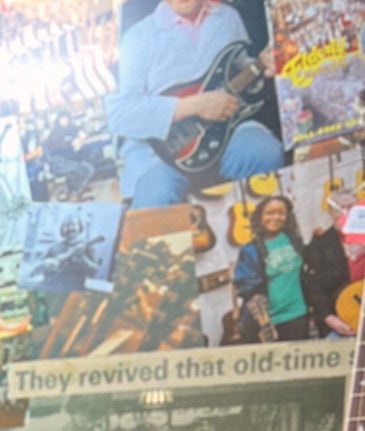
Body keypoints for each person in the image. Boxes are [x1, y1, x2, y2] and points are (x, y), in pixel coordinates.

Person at [105, 0, 282, 209]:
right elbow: (121, 114)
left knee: (266, 152)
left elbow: (236, 69)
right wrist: (195, 106)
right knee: (156, 196)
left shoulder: (228, 18)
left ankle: (256, 235)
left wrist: (261, 65)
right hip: (161, 151)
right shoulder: (137, 37)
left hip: (226, 132)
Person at [233, 194, 311, 343]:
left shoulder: (294, 241)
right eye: (270, 213)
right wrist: (264, 322)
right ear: (260, 216)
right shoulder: (251, 250)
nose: (276, 217)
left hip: (298, 313)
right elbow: (245, 288)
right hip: (269, 322)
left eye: (281, 213)